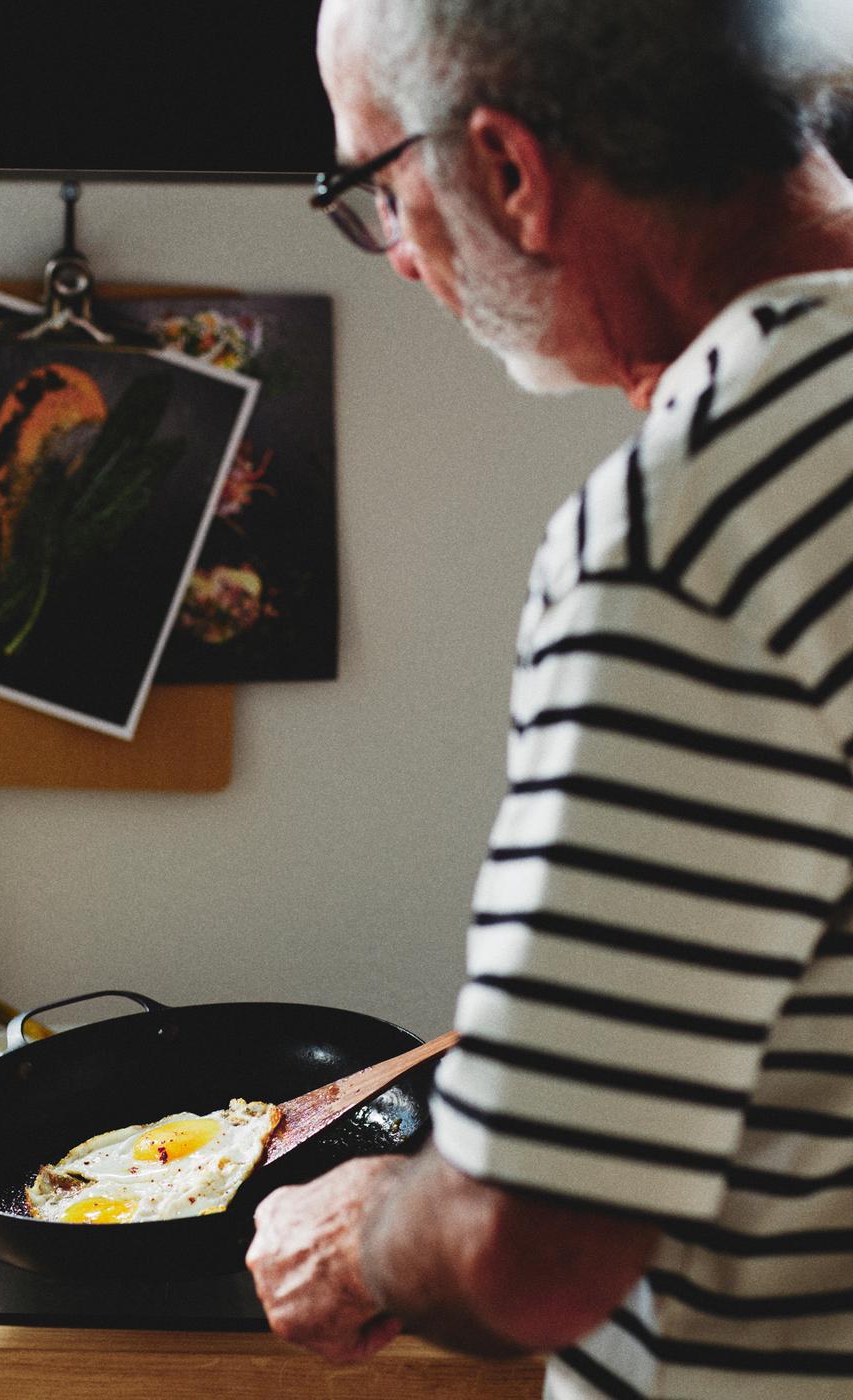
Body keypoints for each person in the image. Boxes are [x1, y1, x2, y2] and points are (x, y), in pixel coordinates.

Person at [244, 2, 853, 1395]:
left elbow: (535, 1250)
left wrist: (361, 1233)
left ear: (510, 170)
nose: (398, 257)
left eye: (379, 190)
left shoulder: (699, 522)